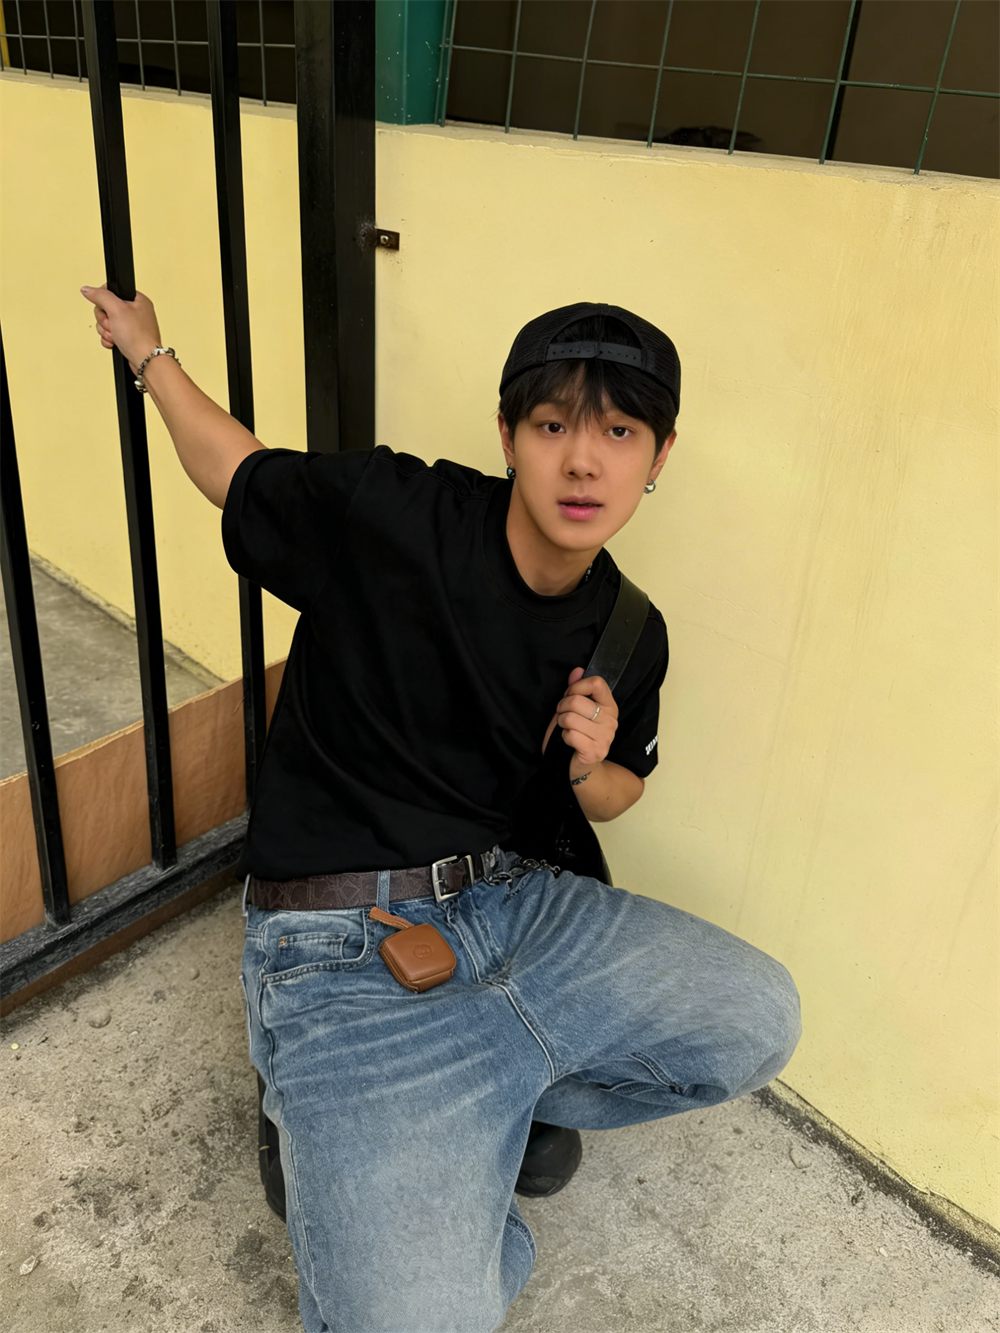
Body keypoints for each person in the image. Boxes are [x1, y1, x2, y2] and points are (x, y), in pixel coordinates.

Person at [80, 285, 801, 1333]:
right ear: (508, 435)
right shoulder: (397, 518)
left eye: (619, 432)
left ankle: (483, 1099)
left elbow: (618, 791)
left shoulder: (628, 630)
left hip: (516, 907)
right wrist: (151, 354)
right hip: (336, 938)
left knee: (758, 1016)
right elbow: (236, 469)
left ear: (660, 455)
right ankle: (355, 1126)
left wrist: (589, 762)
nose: (584, 462)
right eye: (552, 426)